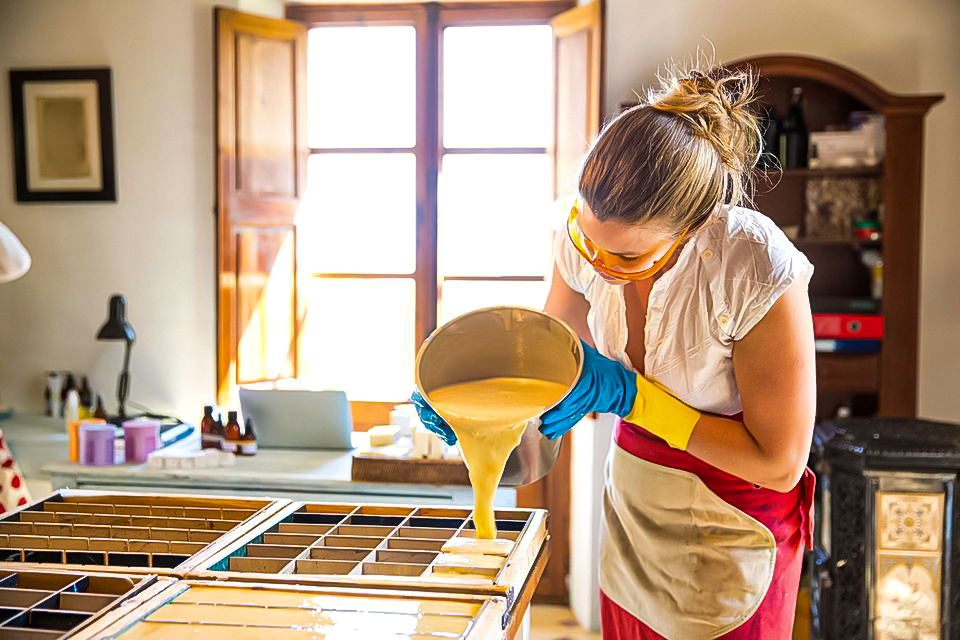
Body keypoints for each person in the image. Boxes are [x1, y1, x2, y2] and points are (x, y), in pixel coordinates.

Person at [414, 63, 816, 639]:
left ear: (693, 227)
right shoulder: (583, 238)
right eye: (587, 240)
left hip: (734, 523)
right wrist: (461, 393)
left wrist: (632, 397)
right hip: (634, 506)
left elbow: (778, 465)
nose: (600, 267)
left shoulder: (750, 264)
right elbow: (547, 361)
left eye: (627, 259)